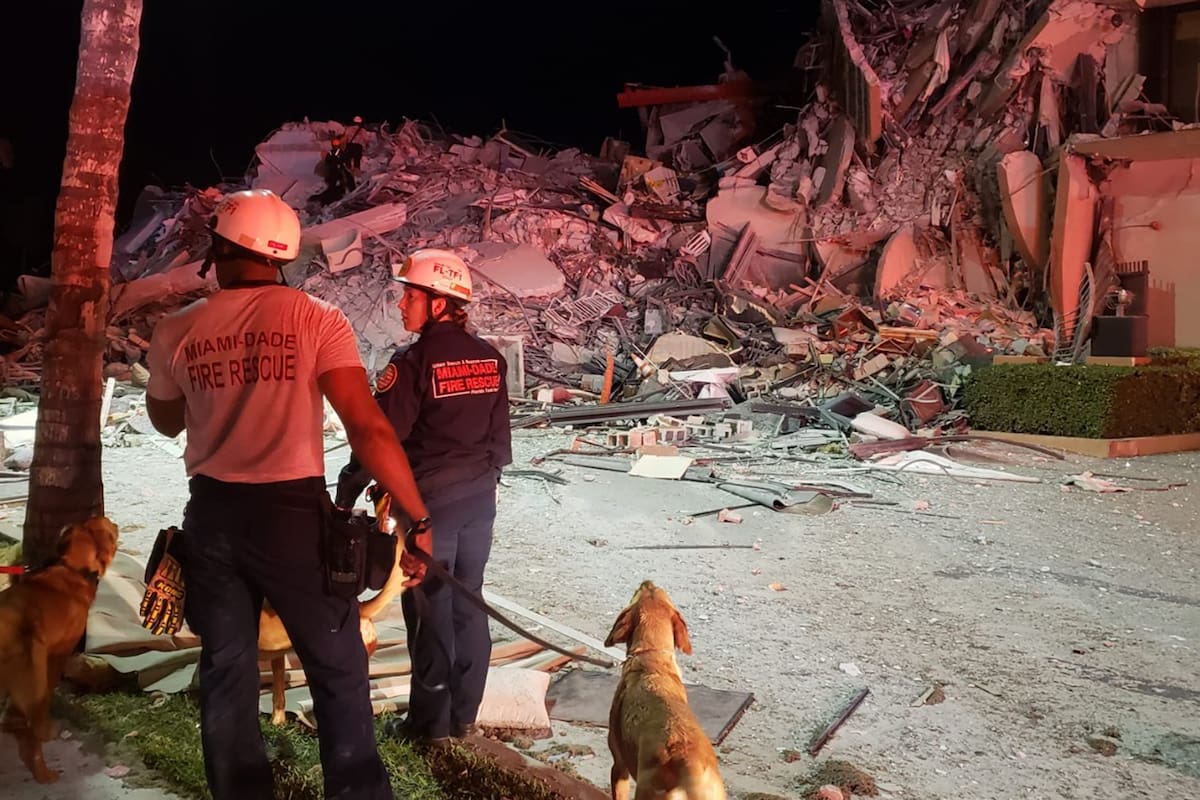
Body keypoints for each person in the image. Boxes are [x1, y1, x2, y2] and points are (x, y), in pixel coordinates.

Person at [145, 189, 434, 800]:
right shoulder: (316, 319)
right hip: (293, 520)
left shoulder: (175, 330)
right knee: (336, 668)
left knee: (227, 672)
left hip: (213, 518)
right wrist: (416, 513)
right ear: (279, 258)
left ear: (219, 249)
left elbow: (166, 422)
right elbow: (368, 426)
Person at [336, 248, 512, 743]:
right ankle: (464, 716)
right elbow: (501, 442)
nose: (401, 305)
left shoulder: (412, 363)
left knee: (428, 608)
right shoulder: (491, 359)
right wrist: (480, 489)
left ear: (438, 303)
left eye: (409, 295)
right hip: (480, 501)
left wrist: (347, 491)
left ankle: (428, 726)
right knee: (468, 600)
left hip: (427, 506)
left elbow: (379, 439)